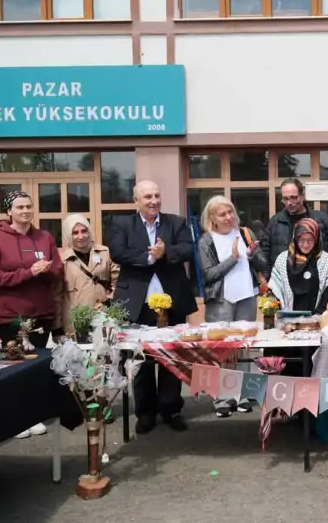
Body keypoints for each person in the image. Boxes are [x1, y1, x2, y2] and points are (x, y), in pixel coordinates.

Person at [108, 180, 197, 435]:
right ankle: (145, 412)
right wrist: (149, 257)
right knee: (141, 360)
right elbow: (117, 252)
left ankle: (171, 409)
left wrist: (165, 252)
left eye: (157, 195)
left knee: (172, 357)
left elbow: (189, 249)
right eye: (147, 196)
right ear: (136, 200)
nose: (153, 201)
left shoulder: (176, 222)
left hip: (173, 302)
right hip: (138, 303)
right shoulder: (122, 224)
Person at [0, 190, 63, 439]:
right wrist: (29, 272)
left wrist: (45, 270)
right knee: (14, 367)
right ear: (9, 212)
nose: (25, 211)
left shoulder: (44, 237)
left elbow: (58, 272)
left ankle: (33, 415)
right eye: (19, 207)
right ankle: (15, 419)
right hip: (11, 315)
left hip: (42, 313)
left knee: (35, 366)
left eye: (29, 206)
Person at [197, 195, 268, 417]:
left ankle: (244, 395)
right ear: (212, 218)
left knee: (244, 346)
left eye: (230, 212)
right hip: (221, 300)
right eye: (222, 214)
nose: (228, 217)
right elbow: (209, 275)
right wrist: (233, 258)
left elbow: (263, 263)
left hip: (247, 296)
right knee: (222, 350)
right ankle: (223, 398)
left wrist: (253, 254)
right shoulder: (206, 240)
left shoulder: (246, 233)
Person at [267, 218, 328, 377]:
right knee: (289, 369)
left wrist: (316, 319)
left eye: (310, 240)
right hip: (288, 327)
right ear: (295, 238)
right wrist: (279, 315)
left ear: (317, 239)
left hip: (315, 325)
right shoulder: (282, 259)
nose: (306, 244)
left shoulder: (326, 260)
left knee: (312, 368)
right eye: (301, 240)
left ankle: (313, 399)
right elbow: (274, 291)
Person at [54, 215, 120, 337]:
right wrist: (57, 327)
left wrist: (109, 301)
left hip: (103, 315)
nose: (81, 236)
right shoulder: (62, 260)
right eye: (75, 233)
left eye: (84, 231)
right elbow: (57, 296)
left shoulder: (105, 253)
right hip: (76, 320)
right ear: (68, 235)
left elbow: (118, 282)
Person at [260, 178, 328, 267]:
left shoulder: (322, 220)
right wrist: (268, 278)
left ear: (303, 196)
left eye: (293, 198)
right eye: (285, 199)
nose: (289, 202)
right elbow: (265, 253)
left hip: (317, 277)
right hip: (283, 278)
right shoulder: (275, 222)